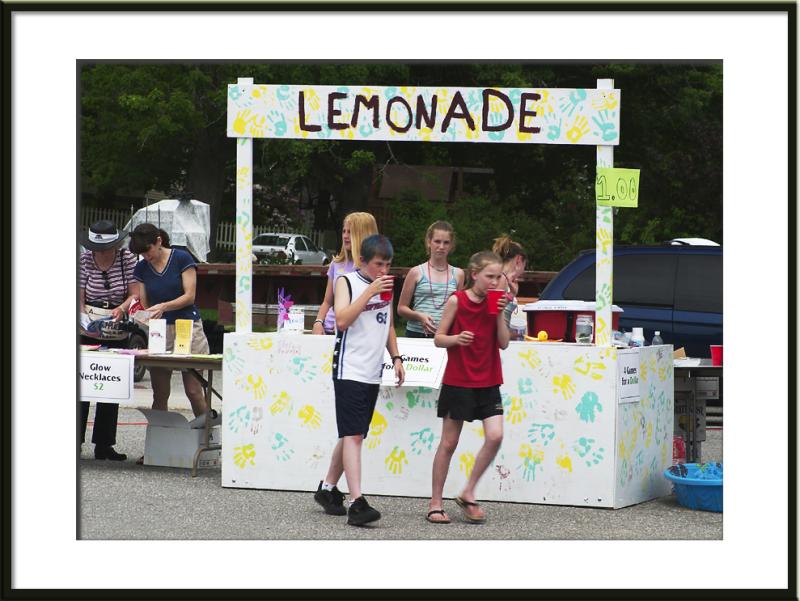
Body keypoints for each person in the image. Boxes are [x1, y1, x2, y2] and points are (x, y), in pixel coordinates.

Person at [313, 234, 405, 526]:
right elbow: (342, 320)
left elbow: (387, 324)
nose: (384, 271)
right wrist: (370, 292)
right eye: (379, 264)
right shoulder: (347, 282)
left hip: (372, 370)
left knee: (354, 432)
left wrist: (397, 357)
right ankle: (357, 502)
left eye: (388, 265)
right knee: (353, 435)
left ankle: (327, 489)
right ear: (363, 261)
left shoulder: (386, 286)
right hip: (349, 368)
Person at [427, 251, 510, 524]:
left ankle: (468, 491)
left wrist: (500, 314)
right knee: (449, 442)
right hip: (459, 379)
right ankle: (435, 503)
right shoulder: (457, 300)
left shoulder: (498, 302)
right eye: (490, 277)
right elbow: (439, 338)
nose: (495, 282)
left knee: (496, 435)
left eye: (499, 277)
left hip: (488, 379)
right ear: (475, 275)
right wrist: (456, 339)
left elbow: (503, 343)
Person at [129, 223, 217, 423]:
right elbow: (145, 302)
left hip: (187, 324)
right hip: (161, 329)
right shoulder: (142, 267)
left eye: (147, 250)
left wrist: (164, 306)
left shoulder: (181, 258)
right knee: (159, 393)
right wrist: (141, 312)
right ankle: (159, 444)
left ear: (158, 241)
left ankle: (208, 437)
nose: (146, 256)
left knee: (193, 390)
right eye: (141, 253)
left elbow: (189, 296)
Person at [79, 220, 140, 461]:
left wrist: (123, 308)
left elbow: (135, 293)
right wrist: (83, 319)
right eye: (98, 247)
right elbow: (78, 295)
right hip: (89, 325)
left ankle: (104, 444)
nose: (102, 252)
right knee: (82, 386)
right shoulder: (84, 260)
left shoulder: (127, 259)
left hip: (117, 324)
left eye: (106, 247)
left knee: (110, 385)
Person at [311, 212, 379, 335]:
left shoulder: (374, 267)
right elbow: (327, 301)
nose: (345, 236)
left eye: (350, 232)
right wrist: (318, 322)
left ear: (363, 235)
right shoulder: (336, 264)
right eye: (344, 231)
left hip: (357, 332)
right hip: (330, 329)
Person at [397, 221, 464, 338]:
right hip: (417, 333)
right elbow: (401, 308)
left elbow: (459, 308)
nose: (441, 247)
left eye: (446, 242)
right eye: (437, 241)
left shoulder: (458, 274)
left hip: (446, 335)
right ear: (429, 242)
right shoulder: (416, 272)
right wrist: (419, 316)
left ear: (451, 245)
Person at [492, 234, 529, 341]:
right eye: (524, 265)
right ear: (518, 260)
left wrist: (511, 295)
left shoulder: (503, 279)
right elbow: (493, 315)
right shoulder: (501, 279)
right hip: (495, 341)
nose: (523, 270)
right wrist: (507, 334)